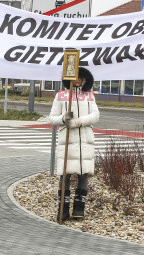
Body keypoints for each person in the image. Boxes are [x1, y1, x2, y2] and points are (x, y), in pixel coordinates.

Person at [49, 67, 99, 221]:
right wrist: (64, 118)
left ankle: (79, 209)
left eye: (81, 78)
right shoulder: (61, 95)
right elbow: (52, 118)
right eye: (75, 77)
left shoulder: (89, 96)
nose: (78, 80)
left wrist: (79, 121)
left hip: (84, 140)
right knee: (65, 175)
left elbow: (95, 115)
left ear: (84, 79)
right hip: (68, 141)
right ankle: (62, 210)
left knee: (83, 174)